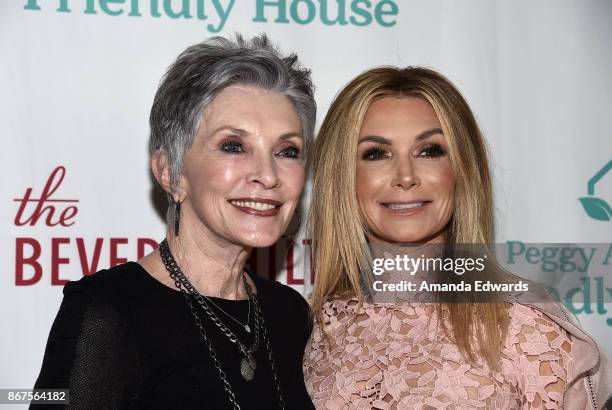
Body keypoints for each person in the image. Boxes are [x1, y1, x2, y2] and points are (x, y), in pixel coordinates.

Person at [32, 34, 316, 409]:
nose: (267, 174)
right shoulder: (108, 312)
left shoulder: (289, 313)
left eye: (287, 151)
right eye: (233, 146)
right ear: (171, 173)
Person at [303, 66, 612, 408]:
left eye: (430, 151)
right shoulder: (314, 326)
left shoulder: (523, 324)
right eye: (376, 154)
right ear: (341, 176)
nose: (406, 176)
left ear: (462, 169)